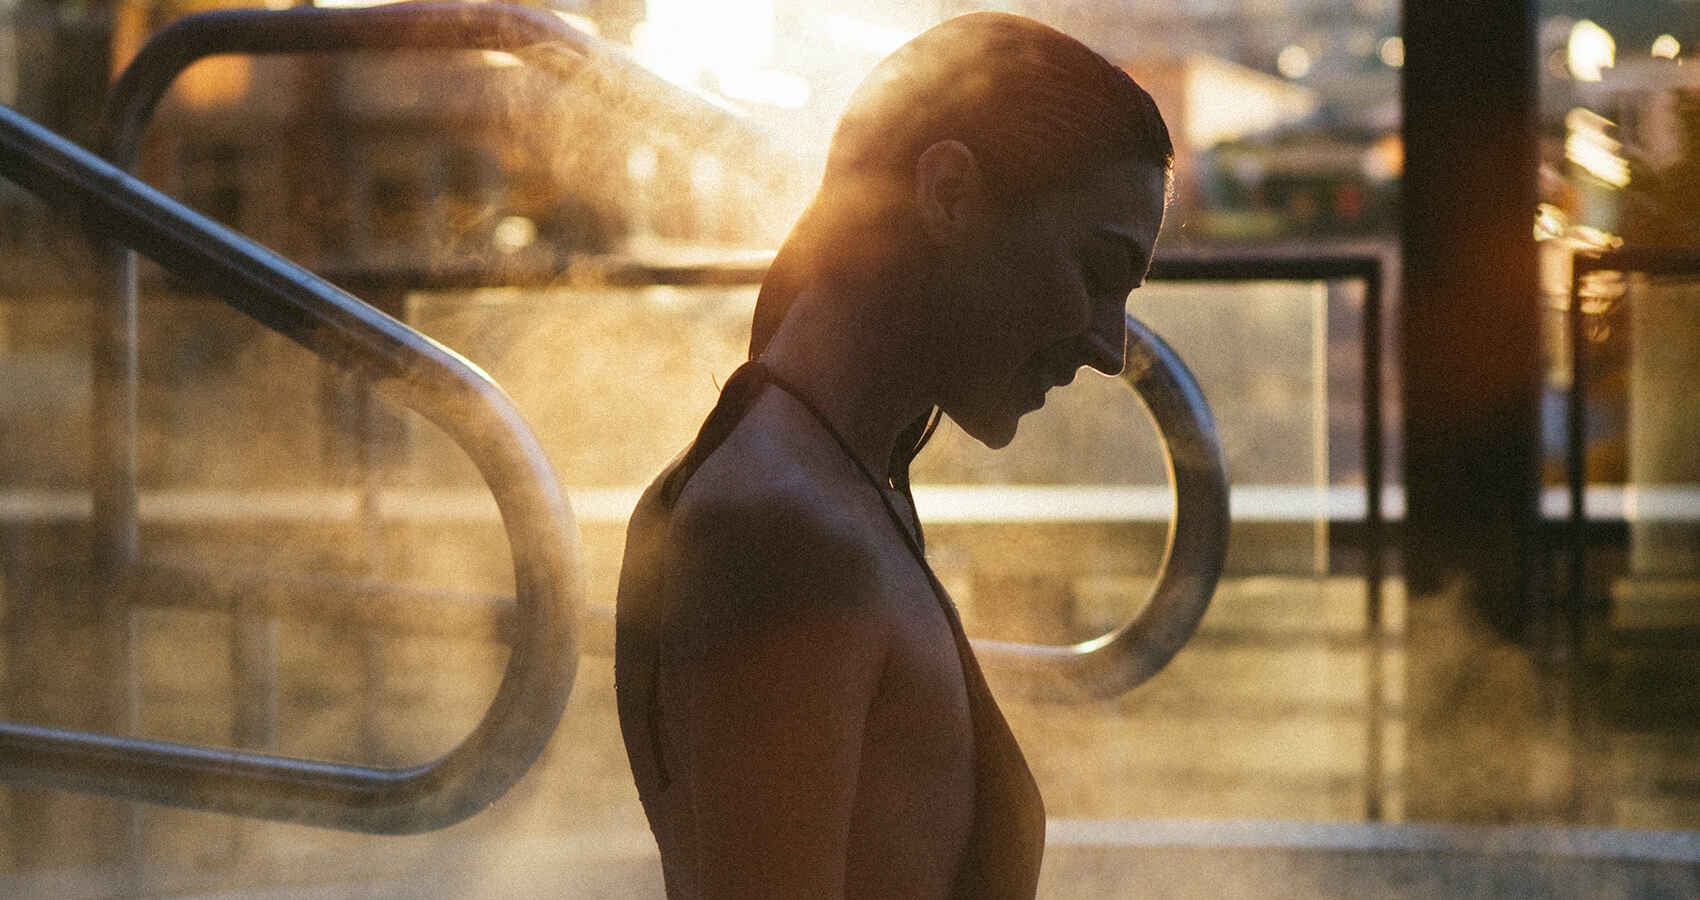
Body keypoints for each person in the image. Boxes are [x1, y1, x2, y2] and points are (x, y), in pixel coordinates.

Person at [615, 12, 1173, 900]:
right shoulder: (784, 527)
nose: (1110, 346)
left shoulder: (827, 485)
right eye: (1098, 271)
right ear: (948, 191)